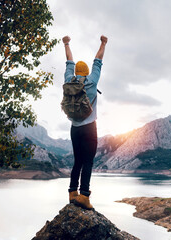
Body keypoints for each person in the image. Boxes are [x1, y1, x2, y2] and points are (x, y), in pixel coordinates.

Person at [62, 35, 108, 210]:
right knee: (88, 161)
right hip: (89, 128)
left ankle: (72, 192)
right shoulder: (91, 80)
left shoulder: (69, 80)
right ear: (87, 72)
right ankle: (84, 196)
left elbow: (69, 61)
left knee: (78, 161)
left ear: (75, 72)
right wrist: (103, 43)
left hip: (74, 128)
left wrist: (66, 43)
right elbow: (98, 60)